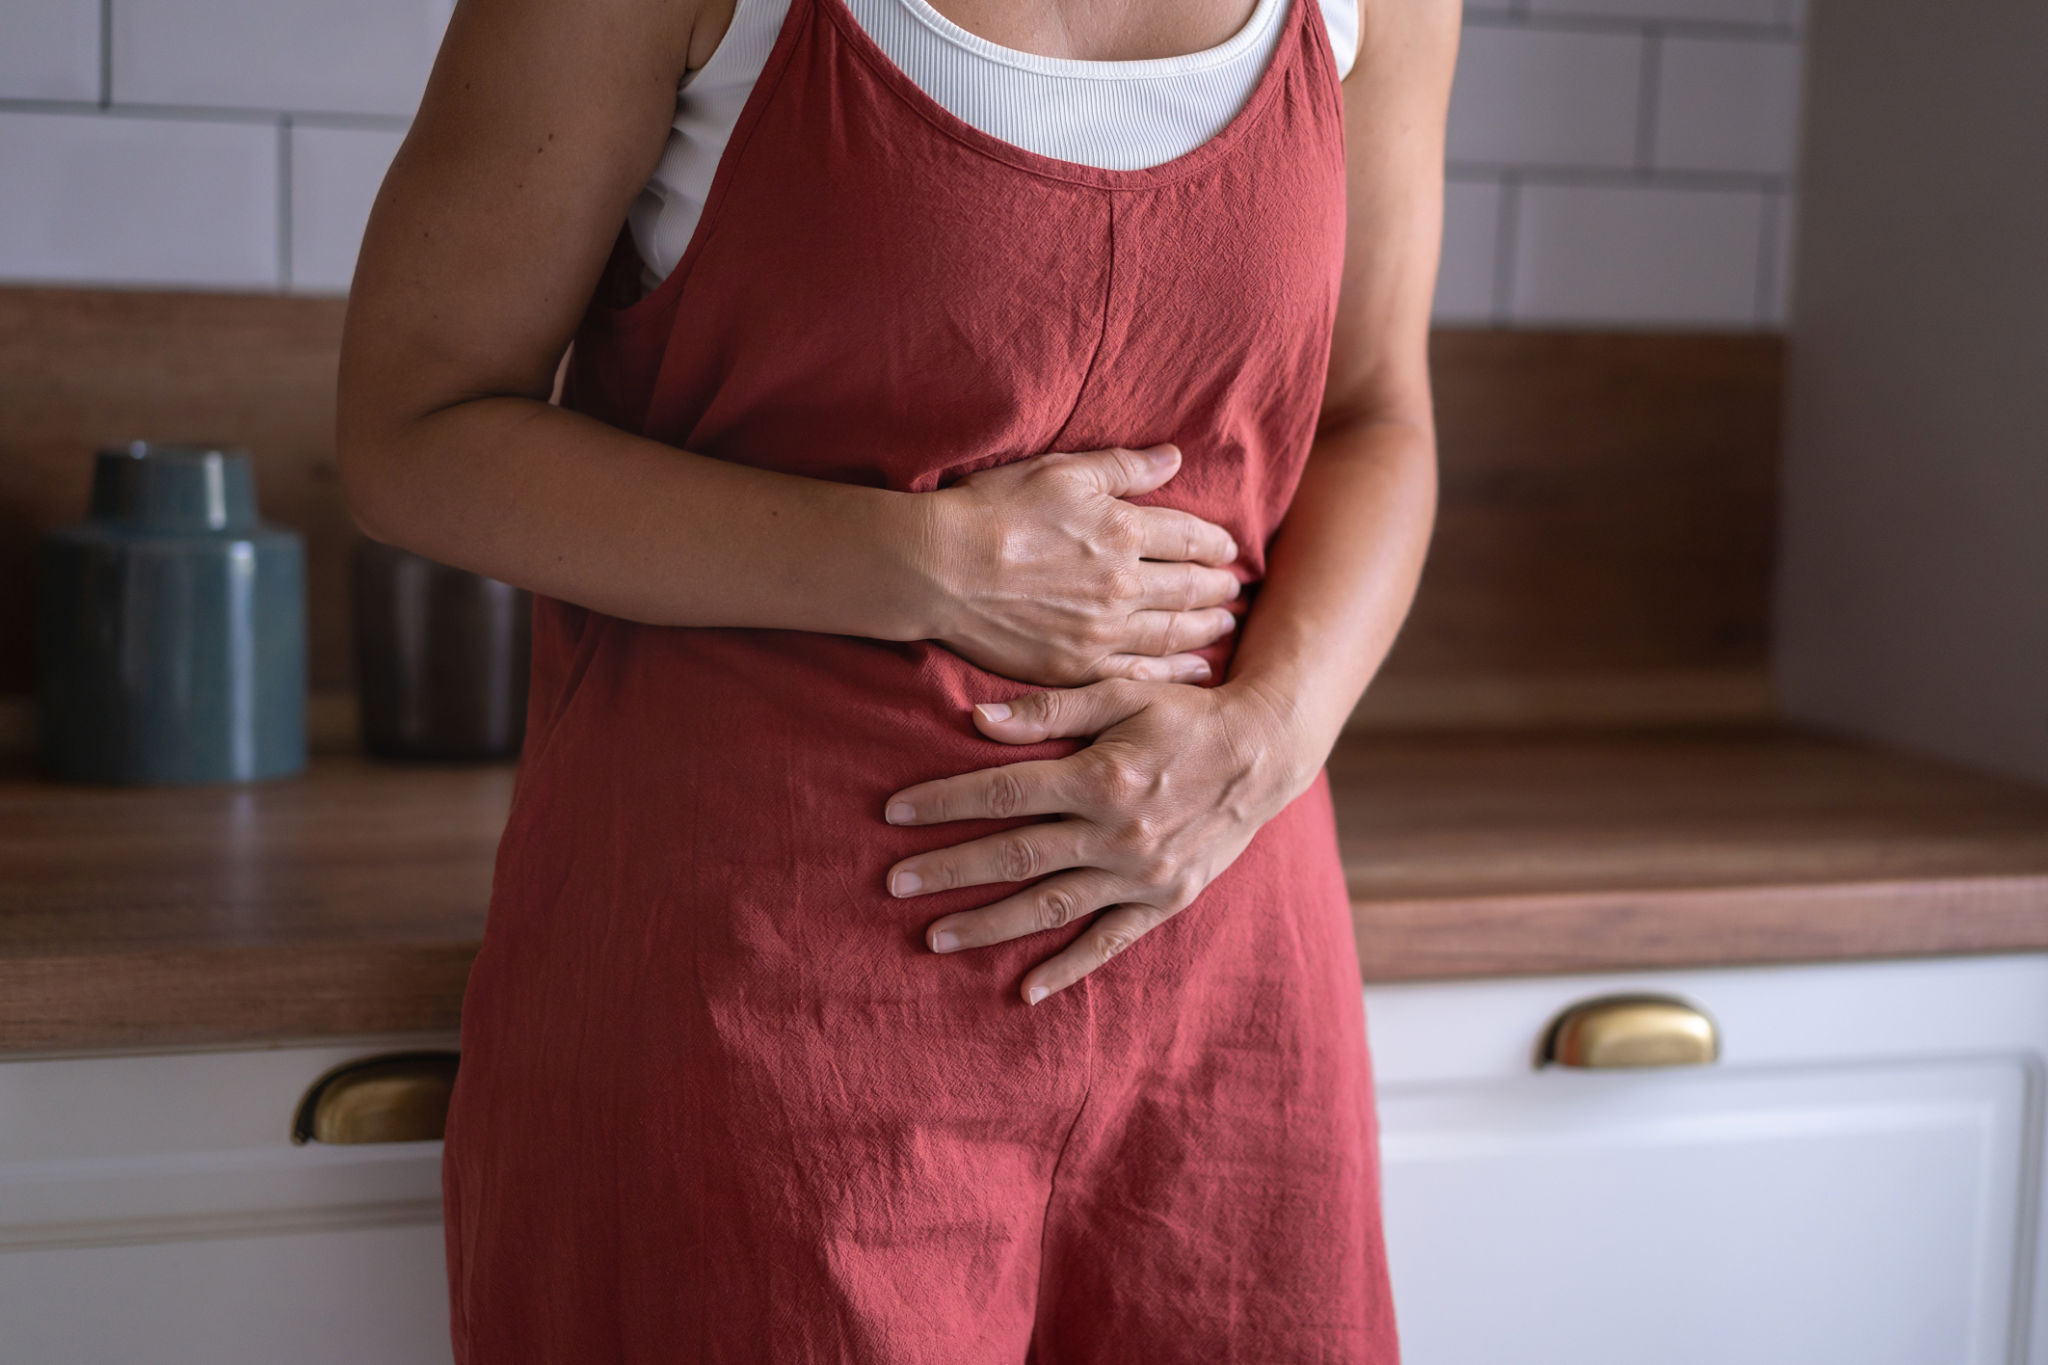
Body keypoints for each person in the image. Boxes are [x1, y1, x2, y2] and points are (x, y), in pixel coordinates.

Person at [335, 0, 1457, 1356]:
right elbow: (415, 432)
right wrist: (927, 565)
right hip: (764, 992)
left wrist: (1269, 734)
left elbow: (1376, 411)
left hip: (1218, 959)